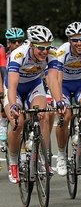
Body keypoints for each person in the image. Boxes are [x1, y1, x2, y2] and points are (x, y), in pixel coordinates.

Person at [4, 25, 65, 183]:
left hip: (34, 85)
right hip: (15, 88)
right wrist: (13, 105)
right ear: (31, 45)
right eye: (40, 48)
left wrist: (59, 101)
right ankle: (13, 162)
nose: (45, 51)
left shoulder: (51, 54)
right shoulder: (19, 54)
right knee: (18, 124)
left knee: (43, 115)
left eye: (47, 47)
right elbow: (12, 86)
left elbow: (52, 80)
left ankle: (44, 159)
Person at [55, 22, 81, 176]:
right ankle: (60, 156)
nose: (79, 43)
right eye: (75, 40)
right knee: (64, 117)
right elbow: (57, 80)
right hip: (64, 85)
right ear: (69, 41)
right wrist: (59, 100)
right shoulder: (62, 52)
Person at [0, 28, 25, 141]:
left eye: (20, 41)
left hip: (23, 83)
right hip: (5, 79)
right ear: (8, 42)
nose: (17, 44)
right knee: (3, 96)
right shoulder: (3, 53)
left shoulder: (27, 52)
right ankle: (4, 120)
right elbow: (3, 73)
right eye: (13, 41)